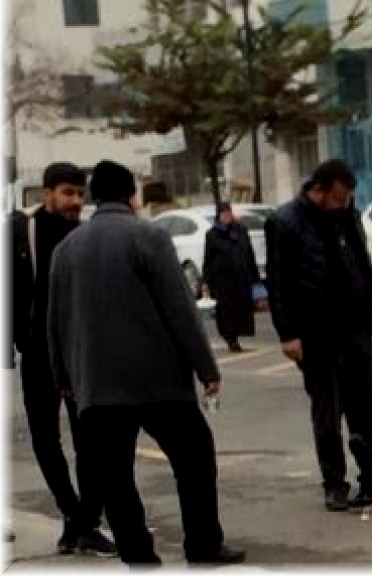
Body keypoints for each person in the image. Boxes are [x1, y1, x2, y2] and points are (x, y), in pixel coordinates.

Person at [46, 161, 245, 566]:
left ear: (95, 195)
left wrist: (62, 376)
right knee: (194, 460)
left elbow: (55, 320)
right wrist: (206, 368)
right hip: (158, 381)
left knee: (115, 479)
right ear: (130, 195)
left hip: (97, 388)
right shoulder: (148, 237)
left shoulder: (66, 249)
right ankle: (203, 545)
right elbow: (180, 310)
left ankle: (139, 557)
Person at [265, 159, 372, 512]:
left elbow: (364, 264)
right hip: (317, 333)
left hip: (356, 327)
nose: (343, 204)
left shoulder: (347, 217)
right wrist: (288, 334)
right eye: (338, 198)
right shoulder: (286, 222)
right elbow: (277, 283)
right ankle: (334, 484)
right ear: (320, 189)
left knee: (368, 409)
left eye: (347, 198)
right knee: (328, 412)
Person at [9, 163, 116, 556]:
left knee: (92, 440)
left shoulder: (85, 235)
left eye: (80, 194)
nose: (76, 201)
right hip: (38, 355)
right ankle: (73, 516)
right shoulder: (21, 233)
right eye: (68, 192)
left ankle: (87, 521)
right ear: (47, 194)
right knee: (45, 437)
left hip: (81, 355)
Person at [203, 203, 259, 353]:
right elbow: (208, 258)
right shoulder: (212, 234)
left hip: (241, 277)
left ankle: (238, 334)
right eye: (224, 214)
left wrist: (254, 275)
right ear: (219, 216)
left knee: (241, 308)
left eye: (229, 213)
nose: (227, 216)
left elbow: (249, 253)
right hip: (223, 280)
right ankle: (230, 339)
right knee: (226, 310)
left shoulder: (240, 230)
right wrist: (206, 281)